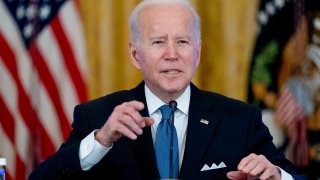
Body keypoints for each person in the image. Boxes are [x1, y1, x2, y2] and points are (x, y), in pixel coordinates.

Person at [29, 0, 306, 179]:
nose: (172, 54)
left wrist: (276, 176)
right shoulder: (97, 117)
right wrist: (100, 140)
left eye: (183, 42)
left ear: (197, 53)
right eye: (158, 42)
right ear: (136, 54)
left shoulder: (240, 119)